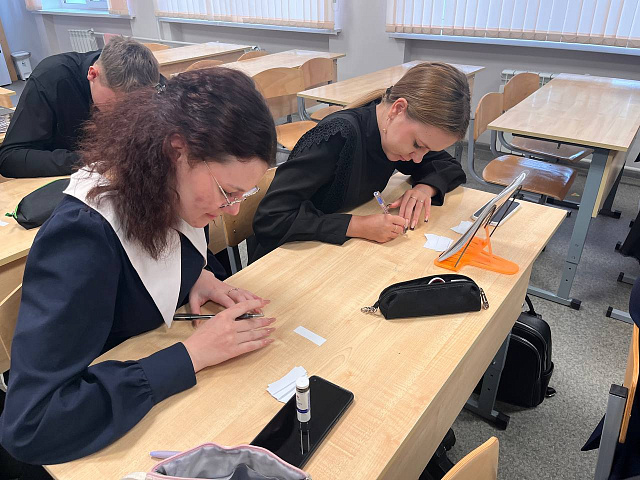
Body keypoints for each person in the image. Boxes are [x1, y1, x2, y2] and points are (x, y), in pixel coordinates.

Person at [0, 68, 277, 475]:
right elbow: (31, 424)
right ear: (176, 149)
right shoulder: (82, 239)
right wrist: (190, 356)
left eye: (243, 195)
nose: (233, 211)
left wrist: (196, 275)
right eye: (227, 192)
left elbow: (152, 257)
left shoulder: (162, 185)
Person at [251, 62, 470, 259]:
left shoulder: (392, 135)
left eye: (428, 149)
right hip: (284, 256)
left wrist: (424, 188)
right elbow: (271, 219)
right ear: (398, 109)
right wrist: (357, 225)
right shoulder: (337, 137)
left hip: (329, 251)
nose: (419, 157)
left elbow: (449, 166)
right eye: (417, 144)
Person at [0, 36, 161, 178]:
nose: (126, 113)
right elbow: (10, 158)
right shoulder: (52, 78)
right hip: (67, 182)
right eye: (119, 104)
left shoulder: (149, 81)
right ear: (93, 74)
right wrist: (90, 159)